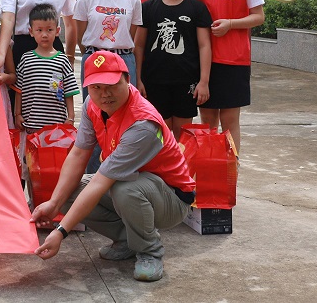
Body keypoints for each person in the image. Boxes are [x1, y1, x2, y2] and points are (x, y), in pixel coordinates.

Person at [32, 51, 195, 283]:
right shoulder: (92, 105)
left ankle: (150, 251)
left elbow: (101, 181)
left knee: (124, 188)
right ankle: (128, 240)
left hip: (171, 198)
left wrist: (61, 231)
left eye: (111, 85)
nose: (104, 94)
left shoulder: (142, 124)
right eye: (96, 87)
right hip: (132, 183)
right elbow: (78, 153)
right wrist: (54, 203)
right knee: (69, 193)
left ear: (128, 80)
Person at [185, 0, 265, 153]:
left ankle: (231, 169)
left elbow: (258, 16)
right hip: (201, 61)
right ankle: (210, 170)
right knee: (207, 121)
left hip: (234, 59)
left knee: (230, 122)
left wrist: (231, 23)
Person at [75, 0, 143, 173]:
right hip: (95, 60)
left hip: (123, 60)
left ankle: (123, 173)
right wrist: (96, 54)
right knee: (95, 117)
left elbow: (131, 35)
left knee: (126, 116)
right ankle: (92, 176)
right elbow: (81, 35)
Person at [134, 0, 213, 138]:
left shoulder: (197, 8)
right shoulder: (147, 8)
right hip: (154, 81)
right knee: (157, 134)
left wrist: (204, 82)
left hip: (186, 81)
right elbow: (139, 46)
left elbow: (204, 45)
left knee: (182, 134)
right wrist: (138, 80)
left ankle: (180, 160)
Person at [14, 3, 78, 130]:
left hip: (56, 126)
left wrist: (71, 117)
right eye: (39, 30)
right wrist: (17, 114)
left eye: (49, 30)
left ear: (57, 31)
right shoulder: (26, 59)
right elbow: (18, 90)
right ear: (31, 32)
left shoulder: (62, 60)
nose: (44, 34)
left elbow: (69, 92)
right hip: (30, 124)